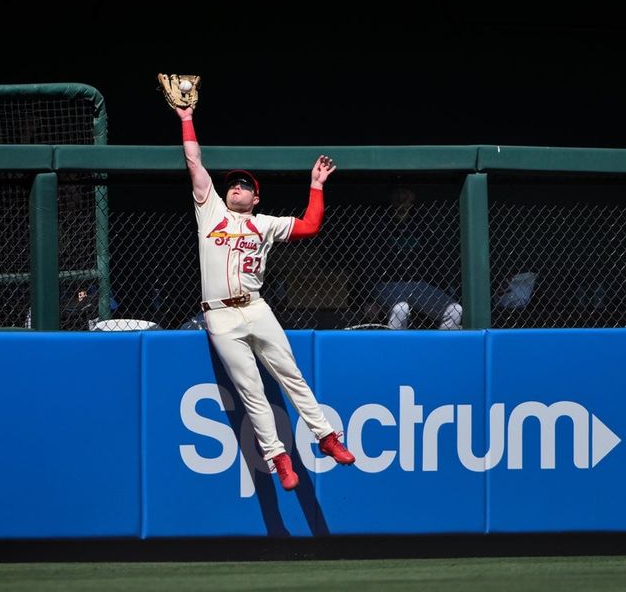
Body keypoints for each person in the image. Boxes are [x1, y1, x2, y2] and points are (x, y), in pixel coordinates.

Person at [172, 103, 355, 492]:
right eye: (233, 184)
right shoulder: (210, 211)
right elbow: (194, 162)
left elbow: (310, 225)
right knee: (251, 390)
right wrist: (187, 119)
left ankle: (326, 437)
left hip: (256, 307)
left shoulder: (265, 223)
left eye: (244, 186)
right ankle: (279, 459)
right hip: (219, 315)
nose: (236, 188)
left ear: (256, 198)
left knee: (291, 375)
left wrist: (316, 185)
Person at [368, 186, 462, 330]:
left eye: (405, 193)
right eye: (398, 193)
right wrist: (368, 299)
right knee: (400, 309)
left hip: (418, 284)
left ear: (413, 196)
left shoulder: (421, 223)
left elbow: (435, 261)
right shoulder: (378, 223)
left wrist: (444, 288)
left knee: (455, 310)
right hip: (387, 284)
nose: (401, 198)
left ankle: (443, 344)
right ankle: (397, 345)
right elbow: (367, 263)